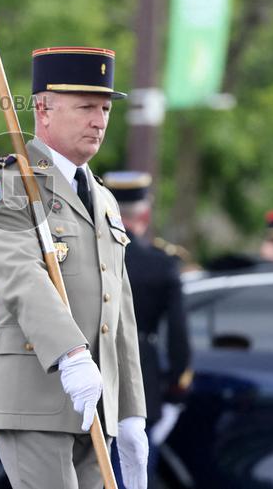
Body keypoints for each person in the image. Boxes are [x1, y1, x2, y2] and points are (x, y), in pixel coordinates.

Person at [0, 46, 148, 489]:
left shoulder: (104, 197)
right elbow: (19, 276)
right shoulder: (7, 181)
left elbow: (118, 308)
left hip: (96, 400)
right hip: (35, 392)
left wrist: (130, 412)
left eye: (105, 108)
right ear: (43, 108)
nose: (100, 120)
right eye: (86, 106)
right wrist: (71, 355)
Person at [103, 171, 192, 485]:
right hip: (143, 379)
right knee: (133, 470)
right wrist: (175, 390)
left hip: (91, 370)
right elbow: (179, 337)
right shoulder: (162, 263)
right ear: (145, 213)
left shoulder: (84, 255)